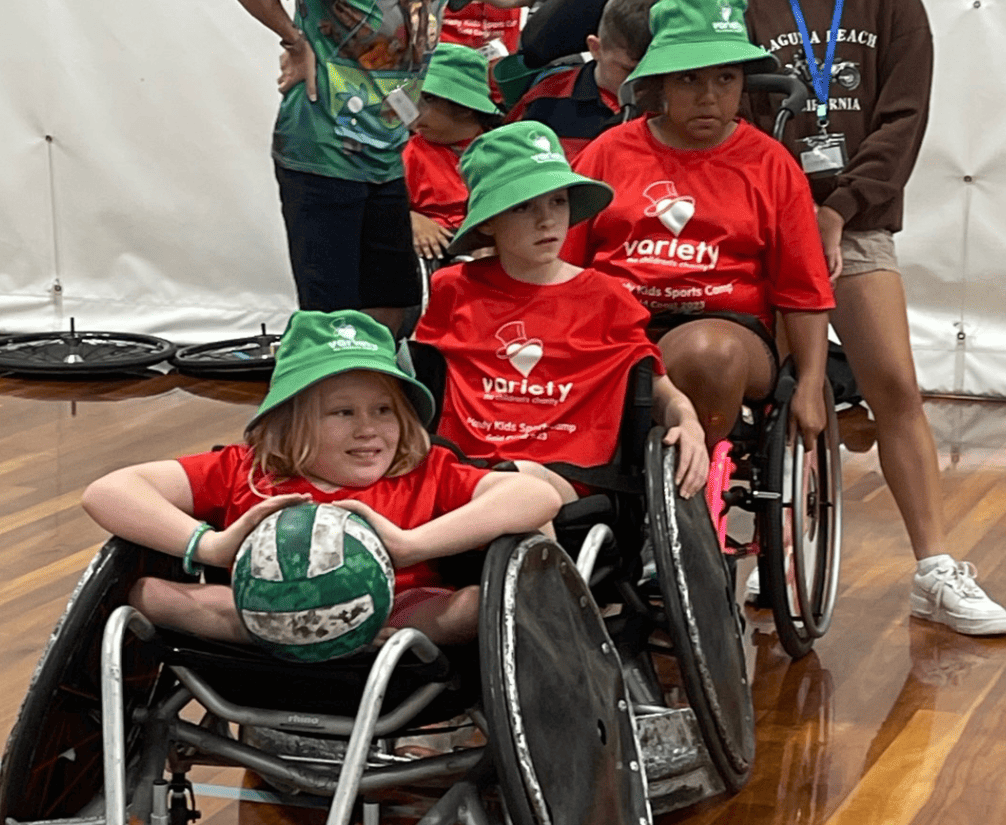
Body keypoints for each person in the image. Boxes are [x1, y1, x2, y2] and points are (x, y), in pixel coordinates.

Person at [743, 1, 1006, 636]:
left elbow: (903, 121)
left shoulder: (893, 6)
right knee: (779, 394)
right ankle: (775, 549)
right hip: (765, 217)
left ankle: (935, 569)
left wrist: (839, 209)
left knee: (893, 385)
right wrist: (788, 208)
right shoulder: (750, 6)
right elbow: (742, 113)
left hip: (854, 224)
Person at [81, 310, 561, 647]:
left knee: (481, 605)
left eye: (384, 411)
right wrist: (211, 547)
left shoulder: (420, 471)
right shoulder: (246, 471)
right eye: (342, 412)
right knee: (146, 593)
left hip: (395, 614)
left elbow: (533, 494)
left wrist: (411, 545)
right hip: (260, 617)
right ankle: (299, 633)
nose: (368, 428)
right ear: (290, 421)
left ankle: (361, 654)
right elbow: (108, 492)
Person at [563, 0, 835, 456]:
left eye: (725, 78)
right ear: (661, 83)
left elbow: (803, 289)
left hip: (729, 329)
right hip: (615, 325)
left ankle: (693, 491)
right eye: (689, 78)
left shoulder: (771, 164)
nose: (709, 96)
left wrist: (810, 384)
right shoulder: (607, 153)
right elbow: (563, 265)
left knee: (708, 353)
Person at [413, 122, 709, 502]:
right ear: (488, 220)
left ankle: (412, 546)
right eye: (523, 206)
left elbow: (656, 388)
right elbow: (422, 386)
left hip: (564, 477)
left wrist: (689, 423)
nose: (547, 220)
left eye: (558, 201)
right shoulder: (452, 289)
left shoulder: (607, 298)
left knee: (517, 485)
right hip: (462, 467)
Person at [234, 0, 447, 335]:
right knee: (332, 312)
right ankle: (335, 385)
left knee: (393, 303)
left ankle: (374, 382)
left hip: (387, 155)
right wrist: (293, 39)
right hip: (323, 151)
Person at [502, 0, 653, 159]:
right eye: (628, 70)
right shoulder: (545, 100)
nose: (639, 81)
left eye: (651, 72)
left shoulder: (669, 103)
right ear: (595, 48)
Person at [404, 43, 502, 261]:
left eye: (428, 99)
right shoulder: (410, 153)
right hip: (435, 252)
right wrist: (410, 218)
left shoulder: (500, 148)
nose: (414, 107)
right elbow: (382, 206)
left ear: (465, 107)